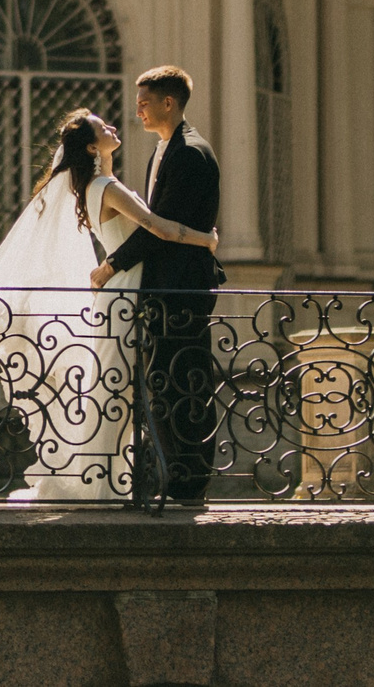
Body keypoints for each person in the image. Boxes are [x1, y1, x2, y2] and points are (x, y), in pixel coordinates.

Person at [0, 106, 217, 500]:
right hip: (123, 294)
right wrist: (206, 239)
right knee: (114, 391)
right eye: (101, 127)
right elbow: (160, 229)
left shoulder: (97, 184)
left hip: (119, 294)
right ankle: (98, 484)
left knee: (114, 387)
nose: (111, 125)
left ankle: (106, 478)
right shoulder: (105, 189)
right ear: (92, 146)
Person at [94, 65, 224, 502]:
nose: (138, 111)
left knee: (185, 378)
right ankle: (173, 473)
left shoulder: (191, 152)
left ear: (169, 103)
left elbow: (159, 226)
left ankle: (190, 479)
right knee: (164, 380)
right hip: (164, 288)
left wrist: (112, 264)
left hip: (183, 287)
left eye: (145, 102)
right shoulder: (163, 150)